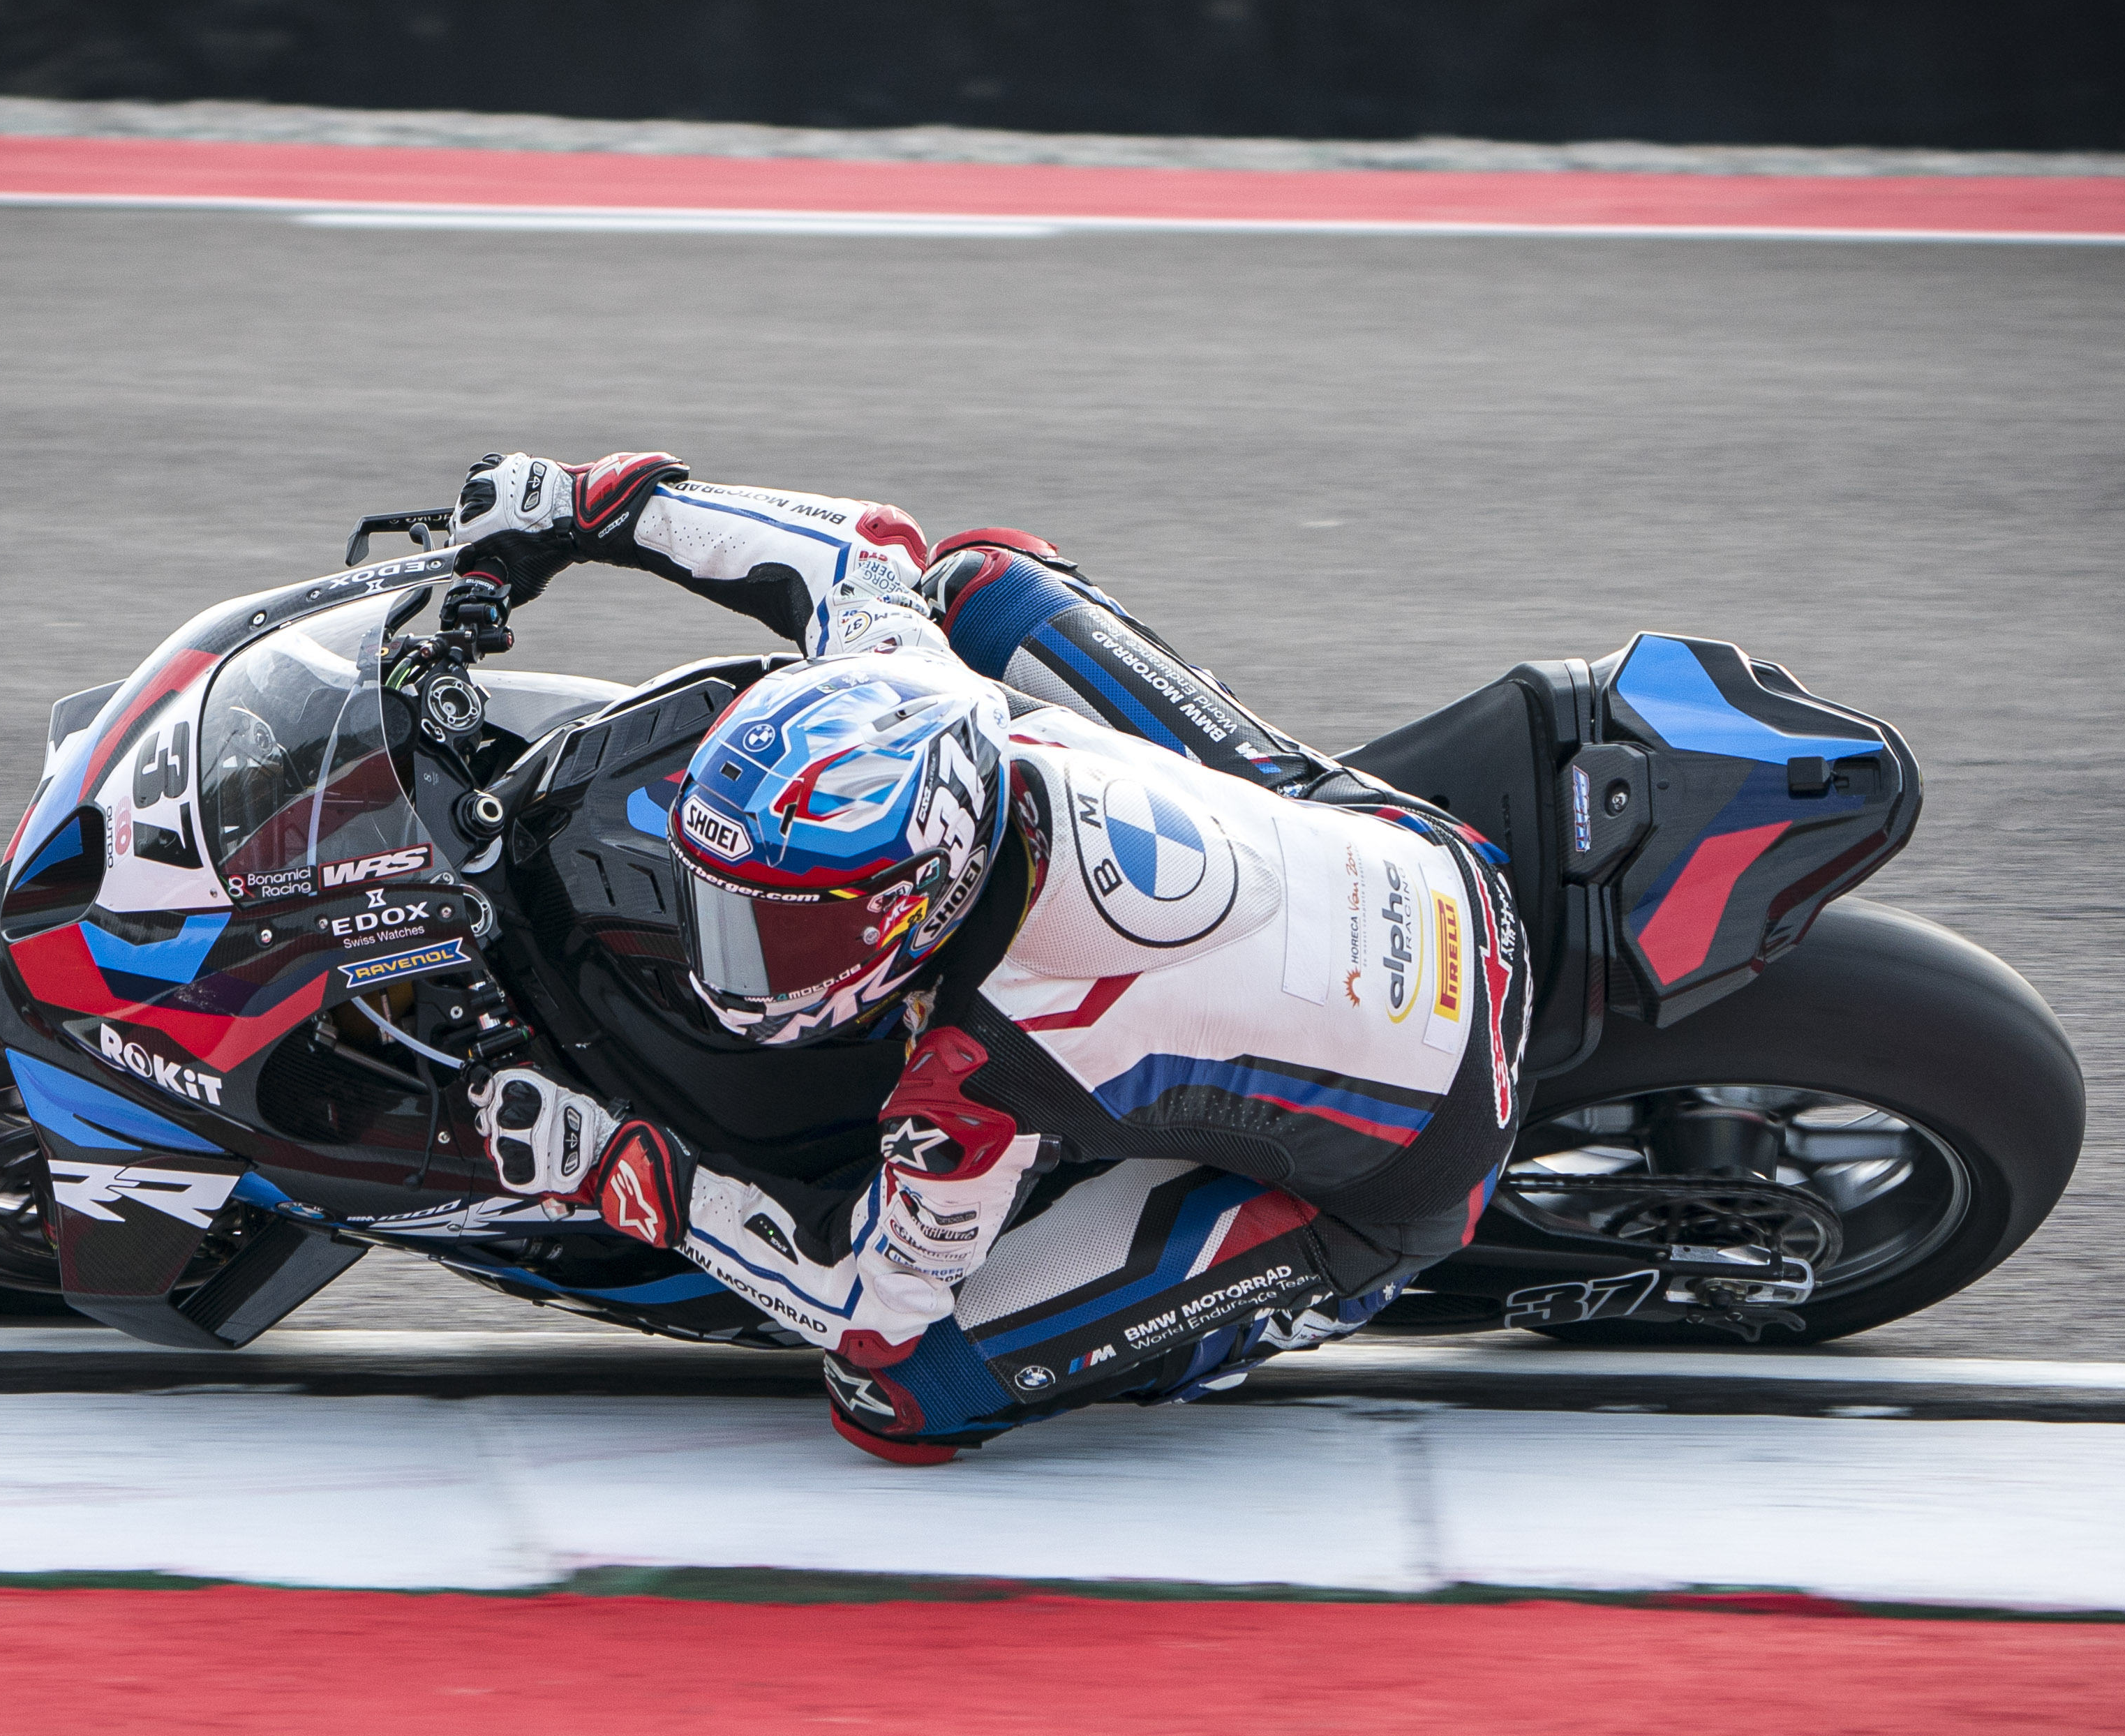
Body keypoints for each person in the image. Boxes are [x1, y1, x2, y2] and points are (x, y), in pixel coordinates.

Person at [448, 451, 1529, 1462]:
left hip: (1430, 1144)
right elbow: (863, 548)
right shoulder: (909, 683)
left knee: (897, 1398)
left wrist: (622, 1169)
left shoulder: (972, 1077)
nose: (731, 961)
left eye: (784, 928)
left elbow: (866, 1307)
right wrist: (591, 504)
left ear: (913, 897)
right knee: (976, 578)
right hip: (1422, 857)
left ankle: (1280, 1305)